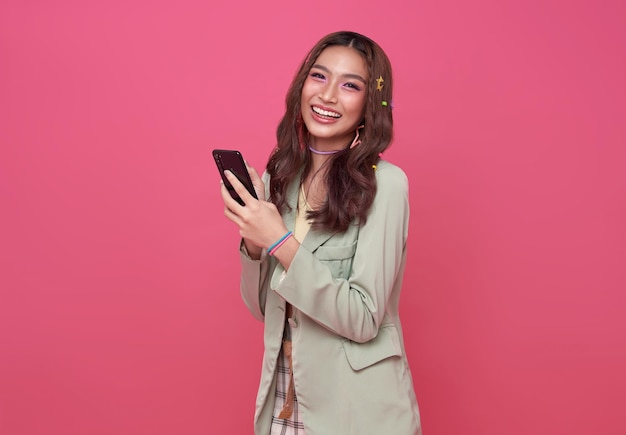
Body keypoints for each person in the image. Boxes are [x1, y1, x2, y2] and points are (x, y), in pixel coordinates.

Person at [220, 31, 422, 435]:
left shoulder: (387, 185)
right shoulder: (283, 178)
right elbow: (265, 310)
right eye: (319, 76)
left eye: (350, 85)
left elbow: (364, 318)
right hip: (285, 401)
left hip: (357, 412)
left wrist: (280, 240)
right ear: (301, 86)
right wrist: (254, 242)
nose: (328, 95)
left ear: (369, 104)